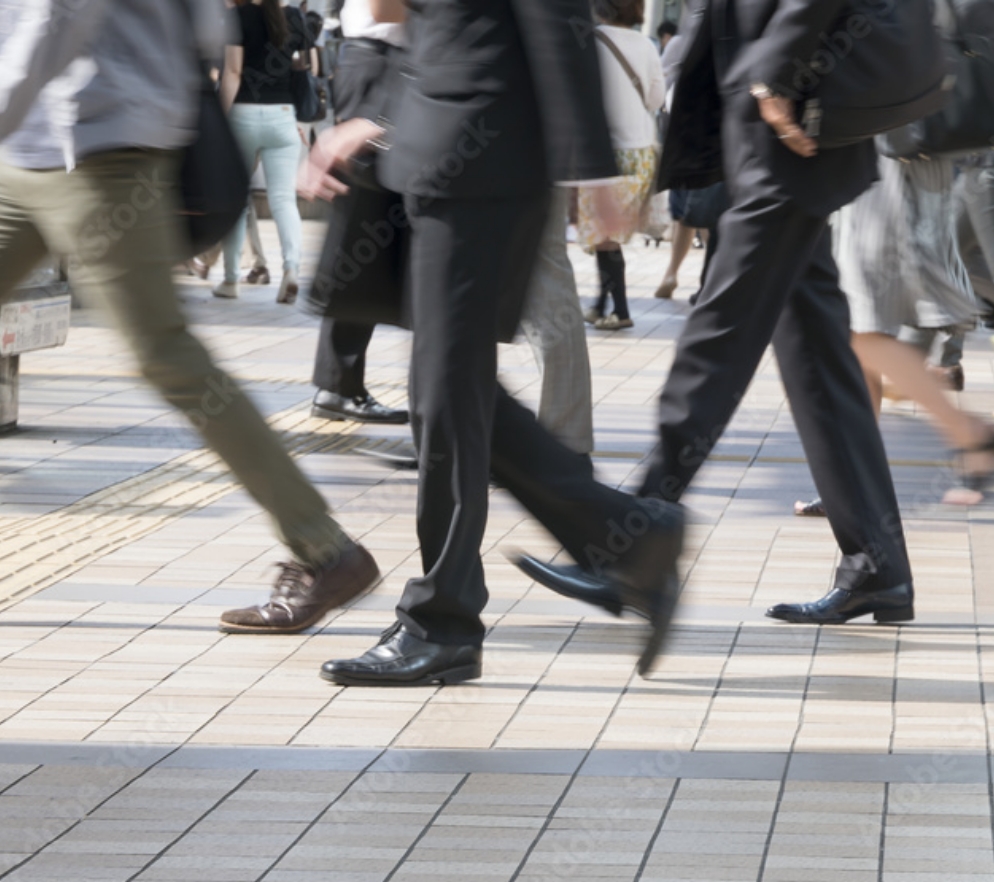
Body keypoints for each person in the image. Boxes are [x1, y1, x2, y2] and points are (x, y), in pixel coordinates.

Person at [293, 0, 685, 686]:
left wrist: (595, 175)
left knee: (447, 391)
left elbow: (559, 27)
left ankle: (442, 623)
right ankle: (631, 536)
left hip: (485, 162)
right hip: (433, 148)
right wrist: (374, 117)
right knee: (448, 391)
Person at [520, 0, 916, 628]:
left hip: (789, 122)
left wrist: (774, 76)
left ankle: (633, 540)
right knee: (818, 361)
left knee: (717, 336)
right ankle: (879, 565)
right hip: (772, 126)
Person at [0, 0, 379, 636]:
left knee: (167, 356)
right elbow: (208, 25)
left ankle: (324, 548)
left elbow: (53, 21)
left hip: (101, 154)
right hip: (33, 148)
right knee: (168, 356)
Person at [309, 0, 410, 425]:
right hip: (381, 64)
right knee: (363, 229)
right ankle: (337, 384)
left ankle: (338, 384)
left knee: (368, 227)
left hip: (378, 63)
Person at [215, 0, 313, 304]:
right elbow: (306, 67)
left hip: (243, 115)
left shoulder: (238, 16)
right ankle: (292, 270)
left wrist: (219, 119)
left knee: (237, 202)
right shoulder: (295, 17)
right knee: (284, 200)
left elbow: (232, 72)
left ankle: (231, 280)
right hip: (283, 115)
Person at [579, 0, 664, 331]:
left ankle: (621, 310)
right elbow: (656, 98)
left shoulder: (591, 40)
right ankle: (601, 304)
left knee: (605, 236)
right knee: (607, 235)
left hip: (608, 150)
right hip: (642, 149)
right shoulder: (647, 44)